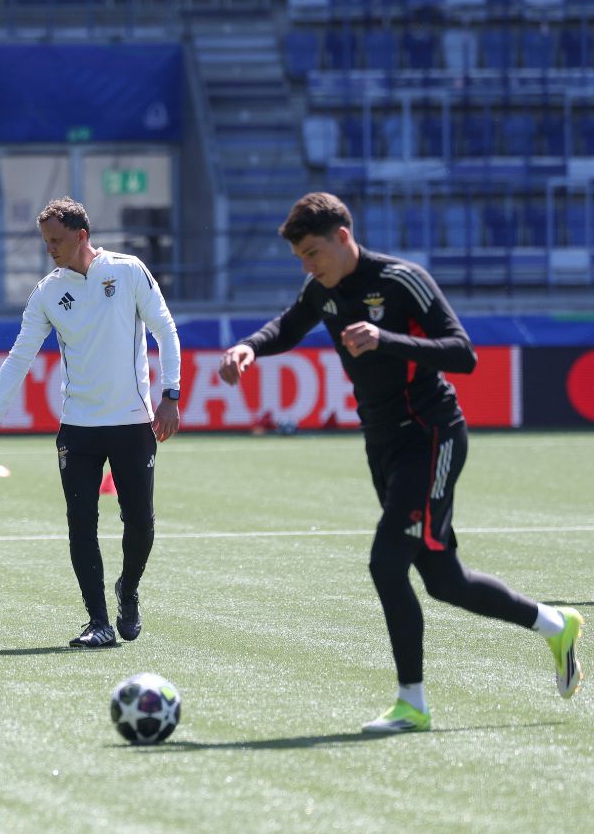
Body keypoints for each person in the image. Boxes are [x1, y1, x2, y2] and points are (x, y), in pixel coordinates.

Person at [217, 191, 583, 733]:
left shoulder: (401, 280)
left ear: (344, 237)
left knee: (386, 563)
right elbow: (289, 326)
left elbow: (463, 353)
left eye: (313, 253)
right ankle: (556, 624)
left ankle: (412, 703)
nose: (308, 266)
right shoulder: (322, 289)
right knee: (444, 580)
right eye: (300, 259)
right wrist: (249, 347)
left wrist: (386, 339)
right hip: (384, 444)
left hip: (430, 435)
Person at [0, 196, 182, 648]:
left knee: (140, 522)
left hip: (132, 423)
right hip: (77, 428)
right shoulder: (46, 293)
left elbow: (166, 330)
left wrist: (170, 394)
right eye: (45, 242)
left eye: (56, 240)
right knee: (81, 522)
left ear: (82, 236)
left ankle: (128, 590)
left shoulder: (128, 271)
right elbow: (19, 358)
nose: (50, 249)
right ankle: (97, 621)